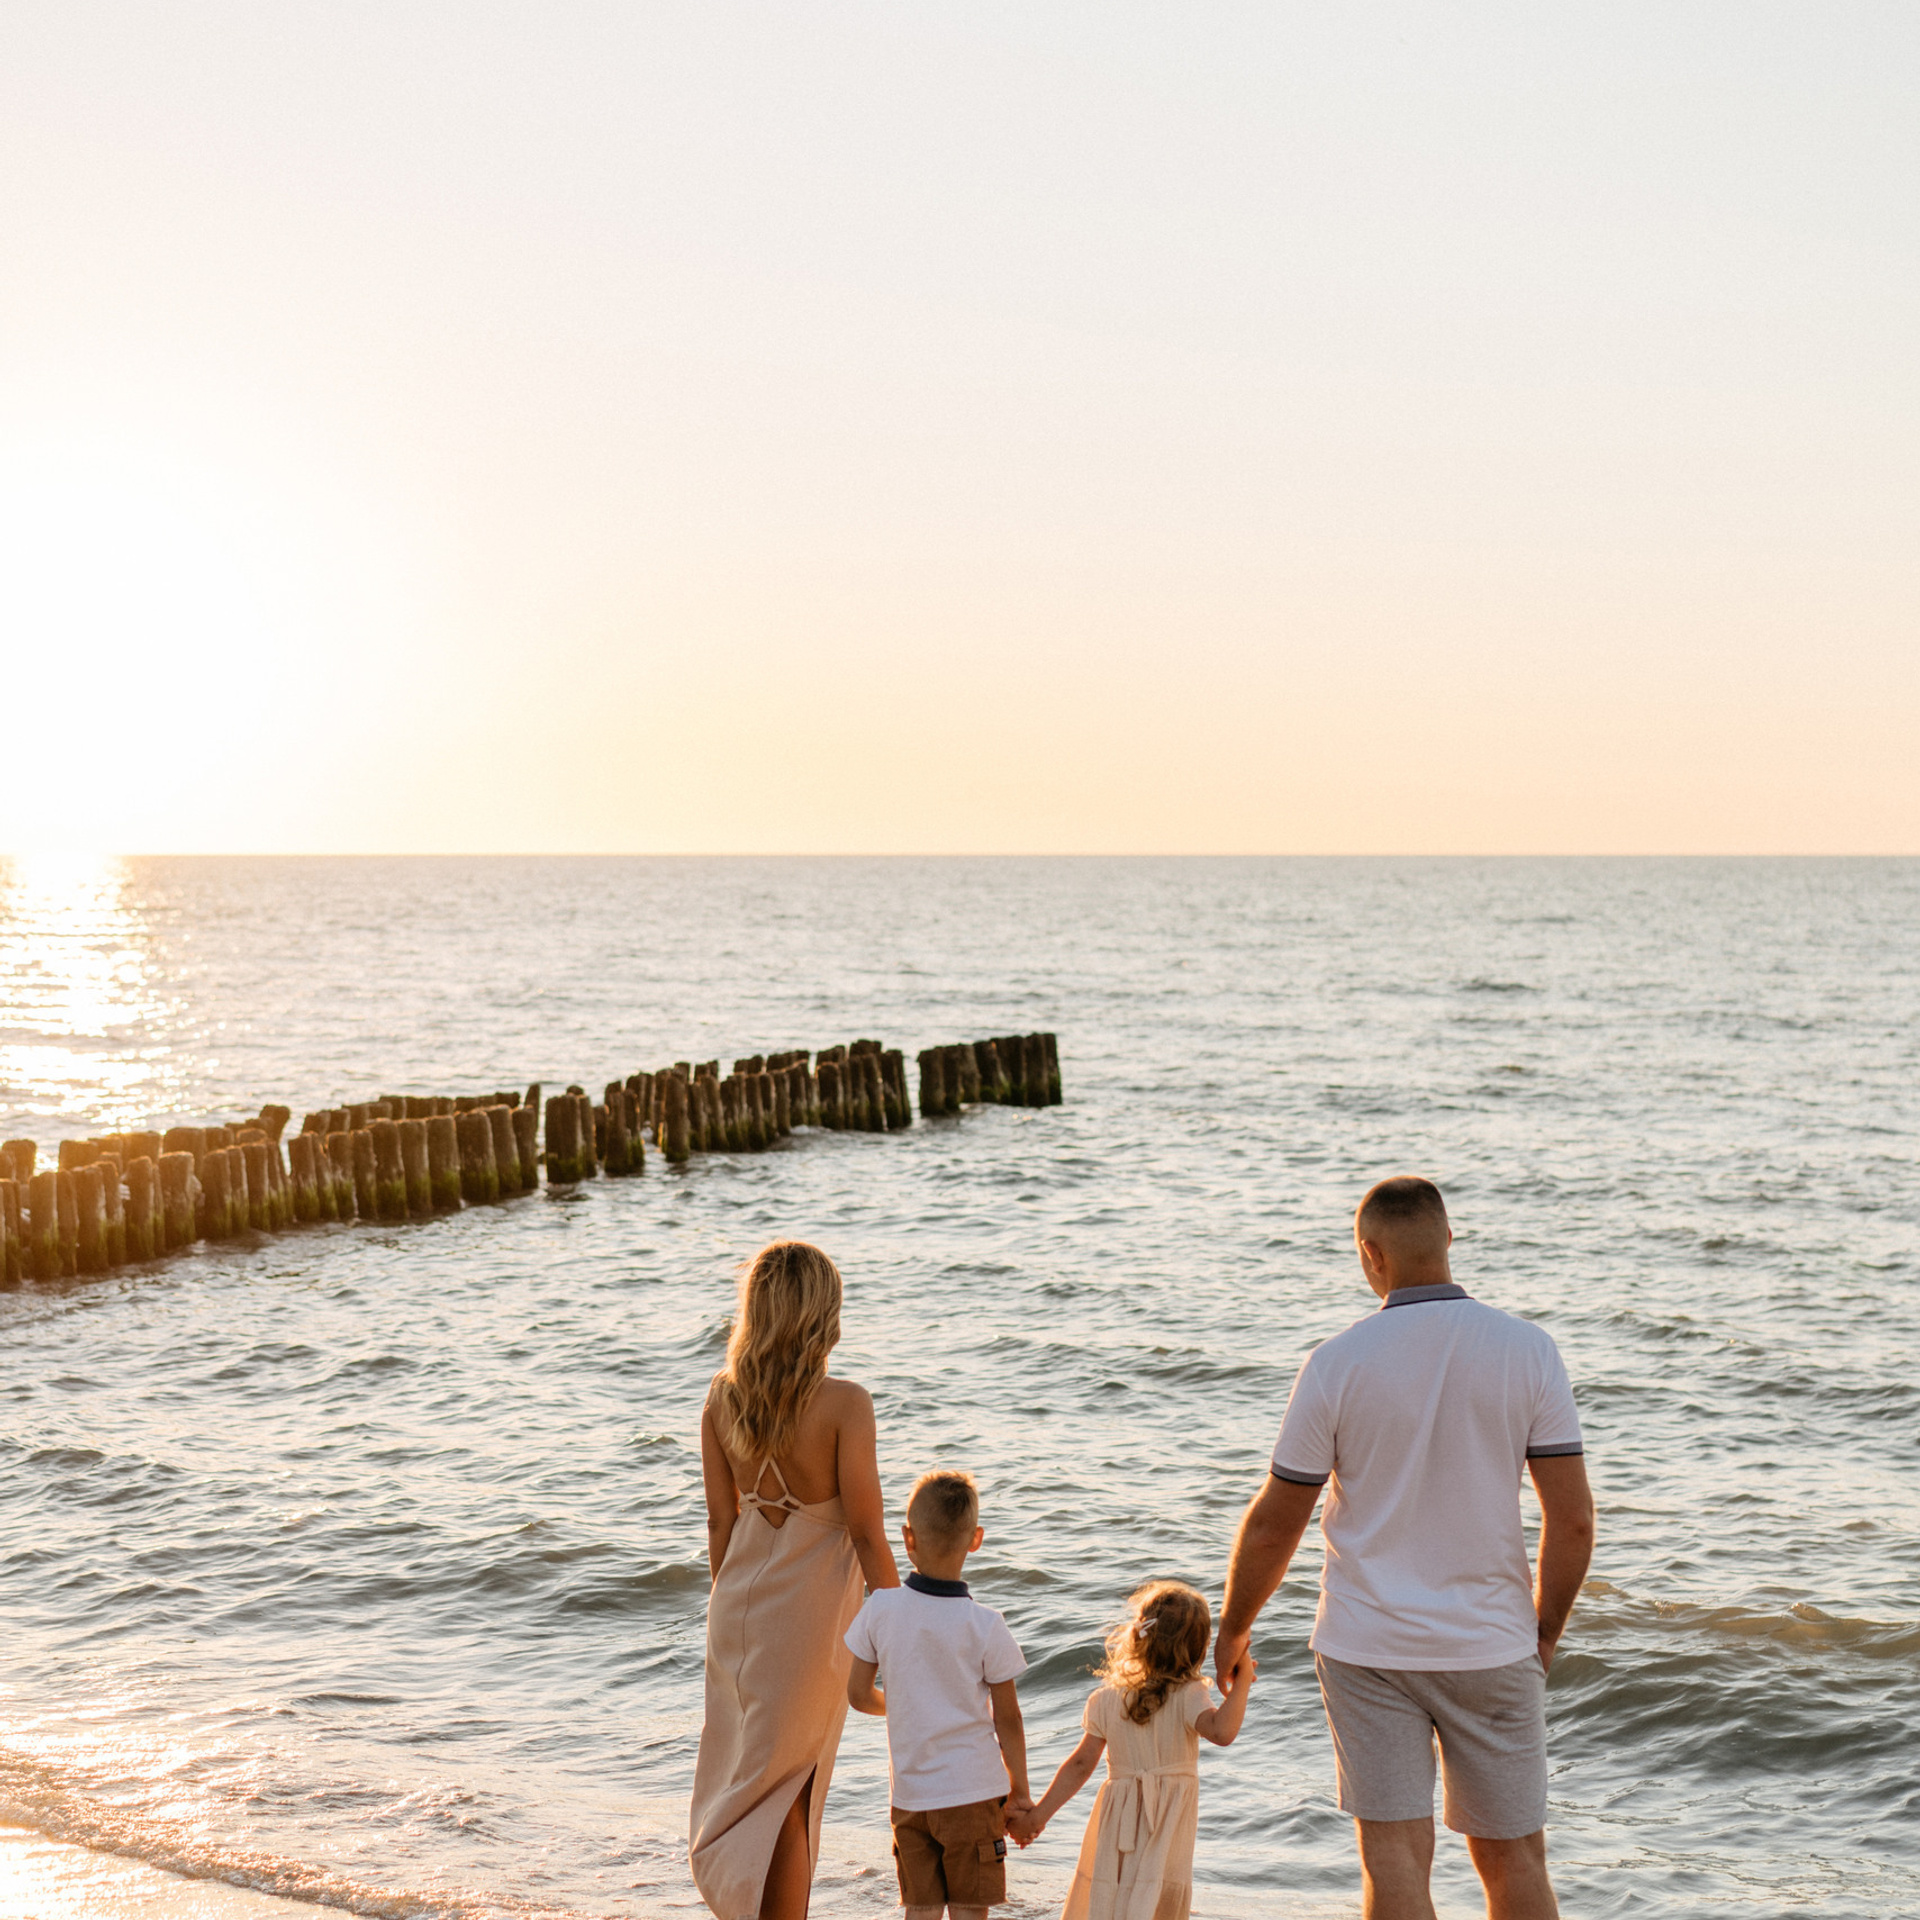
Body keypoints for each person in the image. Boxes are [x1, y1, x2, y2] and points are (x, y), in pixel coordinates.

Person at [1214, 1177, 1595, 1920]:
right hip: (1491, 1641)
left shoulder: (1336, 1362)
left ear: (1370, 1255)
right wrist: (1542, 1630)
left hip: (1367, 1646)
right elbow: (1573, 1520)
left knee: (1393, 1859)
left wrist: (1233, 1626)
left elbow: (1275, 1521)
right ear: (1449, 1241)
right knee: (1513, 1855)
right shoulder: (1530, 1350)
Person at [690, 1241, 901, 1920]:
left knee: (748, 1780)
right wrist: (901, 1628)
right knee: (794, 1785)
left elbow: (721, 1528)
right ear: (824, 1317)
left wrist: (731, 1616)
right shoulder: (846, 1405)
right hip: (809, 1619)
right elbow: (867, 1533)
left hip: (737, 1610)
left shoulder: (721, 1399)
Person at [844, 1469, 1032, 1920]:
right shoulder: (986, 1625)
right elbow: (1009, 1719)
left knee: (920, 1911)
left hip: (910, 1799)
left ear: (908, 1537)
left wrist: (909, 1705)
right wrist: (1020, 1792)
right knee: (970, 1910)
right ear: (976, 1539)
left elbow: (857, 1694)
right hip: (973, 1794)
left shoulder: (881, 1609)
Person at [1009, 1580, 1254, 1920]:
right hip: (1166, 1820)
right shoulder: (1190, 1694)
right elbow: (1223, 1732)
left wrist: (1037, 1817)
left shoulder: (1106, 1699)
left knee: (1113, 1891)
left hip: (1118, 1815)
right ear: (1198, 1648)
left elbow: (1080, 1764)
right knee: (1157, 1895)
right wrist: (1242, 1682)